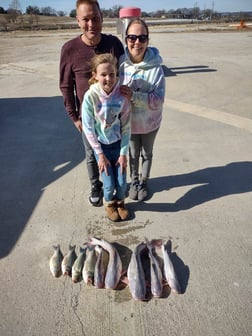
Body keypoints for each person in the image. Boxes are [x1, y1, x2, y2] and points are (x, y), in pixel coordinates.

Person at [59, 0, 124, 206]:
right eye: (85, 19)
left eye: (95, 18)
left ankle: (116, 184)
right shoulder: (69, 49)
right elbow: (66, 86)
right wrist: (74, 116)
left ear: (102, 18)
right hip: (88, 118)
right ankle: (96, 184)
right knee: (91, 154)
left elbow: (126, 74)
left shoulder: (114, 44)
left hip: (114, 114)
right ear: (78, 21)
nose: (91, 24)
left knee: (114, 151)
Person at [119, 18, 165, 201]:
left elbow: (158, 100)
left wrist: (133, 96)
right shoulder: (120, 63)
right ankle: (134, 180)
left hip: (149, 124)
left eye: (142, 38)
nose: (137, 42)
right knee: (132, 154)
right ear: (126, 39)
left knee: (146, 153)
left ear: (147, 40)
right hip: (128, 123)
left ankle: (144, 181)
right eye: (132, 37)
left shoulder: (156, 68)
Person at [82, 53, 131, 222]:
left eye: (112, 74)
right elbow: (88, 128)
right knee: (109, 184)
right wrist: (99, 154)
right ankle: (109, 204)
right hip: (102, 147)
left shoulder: (122, 97)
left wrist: (124, 153)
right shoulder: (91, 97)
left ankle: (121, 203)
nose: (108, 79)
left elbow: (126, 127)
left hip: (118, 145)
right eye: (103, 74)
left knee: (122, 181)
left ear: (117, 74)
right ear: (95, 75)